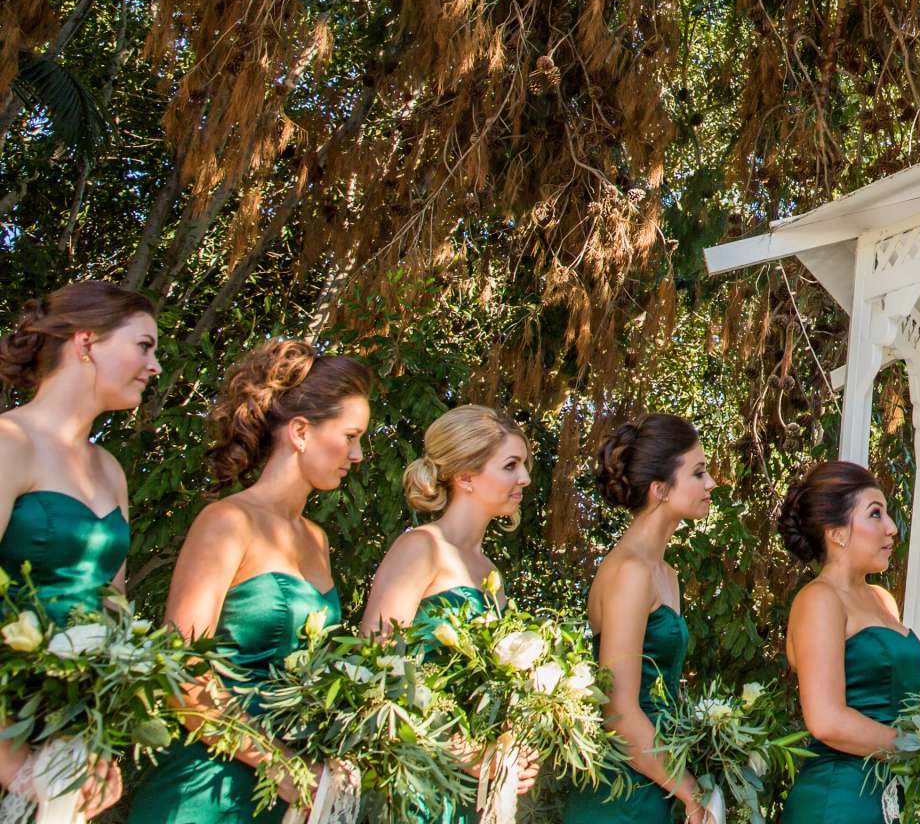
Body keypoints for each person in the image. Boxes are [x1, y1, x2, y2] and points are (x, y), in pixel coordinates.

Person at [128, 340, 373, 824]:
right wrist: (282, 768)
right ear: (300, 432)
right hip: (208, 786)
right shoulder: (228, 522)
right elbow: (179, 675)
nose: (358, 454)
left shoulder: (317, 539)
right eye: (349, 436)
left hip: (288, 794)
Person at [0, 281, 160, 817]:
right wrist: (14, 765)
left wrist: (96, 744)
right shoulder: (9, 444)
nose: (154, 365)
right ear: (86, 342)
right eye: (144, 346)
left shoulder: (108, 469)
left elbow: (113, 616)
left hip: (67, 735)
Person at [362, 405, 539, 824]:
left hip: (470, 787)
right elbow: (375, 671)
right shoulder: (421, 548)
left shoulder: (489, 571)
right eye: (511, 465)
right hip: (415, 778)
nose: (525, 479)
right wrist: (469, 753)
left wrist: (510, 746)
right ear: (465, 478)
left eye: (525, 465)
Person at [560, 414, 713, 824]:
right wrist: (690, 791)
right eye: (698, 473)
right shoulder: (630, 572)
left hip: (656, 777)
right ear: (660, 489)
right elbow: (618, 709)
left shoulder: (666, 574)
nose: (710, 483)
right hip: (619, 790)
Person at [779, 461, 920, 824]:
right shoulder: (818, 600)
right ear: (837, 533)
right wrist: (919, 750)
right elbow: (826, 720)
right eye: (875, 514)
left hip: (892, 796)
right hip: (840, 799)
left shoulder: (882, 599)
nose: (891, 528)